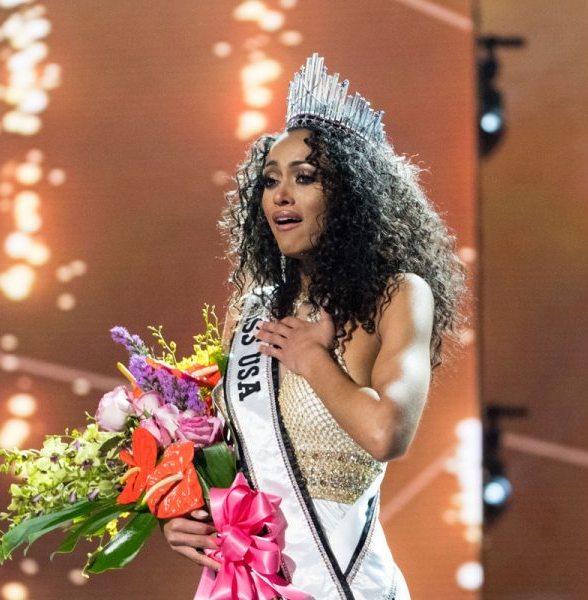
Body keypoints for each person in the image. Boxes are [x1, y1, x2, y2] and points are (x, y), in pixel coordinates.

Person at [162, 53, 465, 599]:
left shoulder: (397, 296)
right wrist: (182, 512)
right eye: (270, 180)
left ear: (349, 197)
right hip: (250, 582)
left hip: (345, 582)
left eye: (305, 179)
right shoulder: (250, 311)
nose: (281, 194)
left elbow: (386, 434)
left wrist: (313, 360)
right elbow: (230, 460)